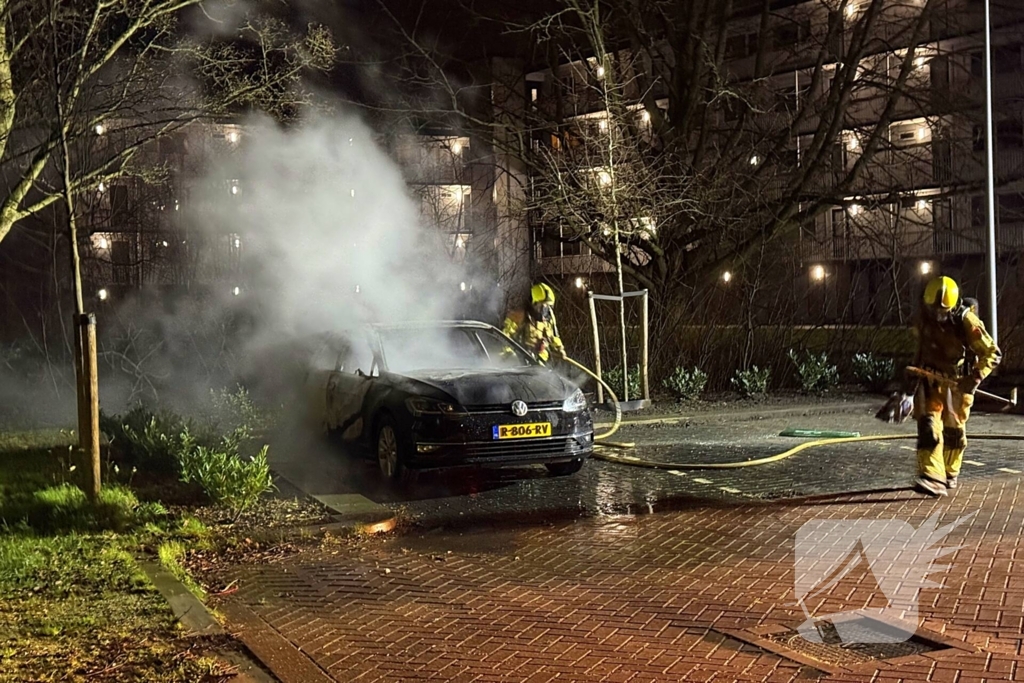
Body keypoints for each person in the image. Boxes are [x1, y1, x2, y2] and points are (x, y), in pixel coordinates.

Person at [909, 276, 1000, 497]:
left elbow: (991, 353)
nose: (939, 316)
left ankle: (950, 472)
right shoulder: (924, 319)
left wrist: (975, 378)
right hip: (931, 382)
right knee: (928, 427)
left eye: (943, 312)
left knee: (954, 432)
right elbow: (919, 349)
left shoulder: (966, 321)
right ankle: (932, 476)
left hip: (957, 384)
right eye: (935, 311)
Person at [502, 282, 566, 364]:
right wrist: (509, 356)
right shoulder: (518, 317)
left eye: (548, 308)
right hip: (518, 366)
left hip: (538, 365)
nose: (545, 312)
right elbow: (503, 337)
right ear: (534, 304)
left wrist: (560, 349)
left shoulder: (546, 321)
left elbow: (553, 337)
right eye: (543, 307)